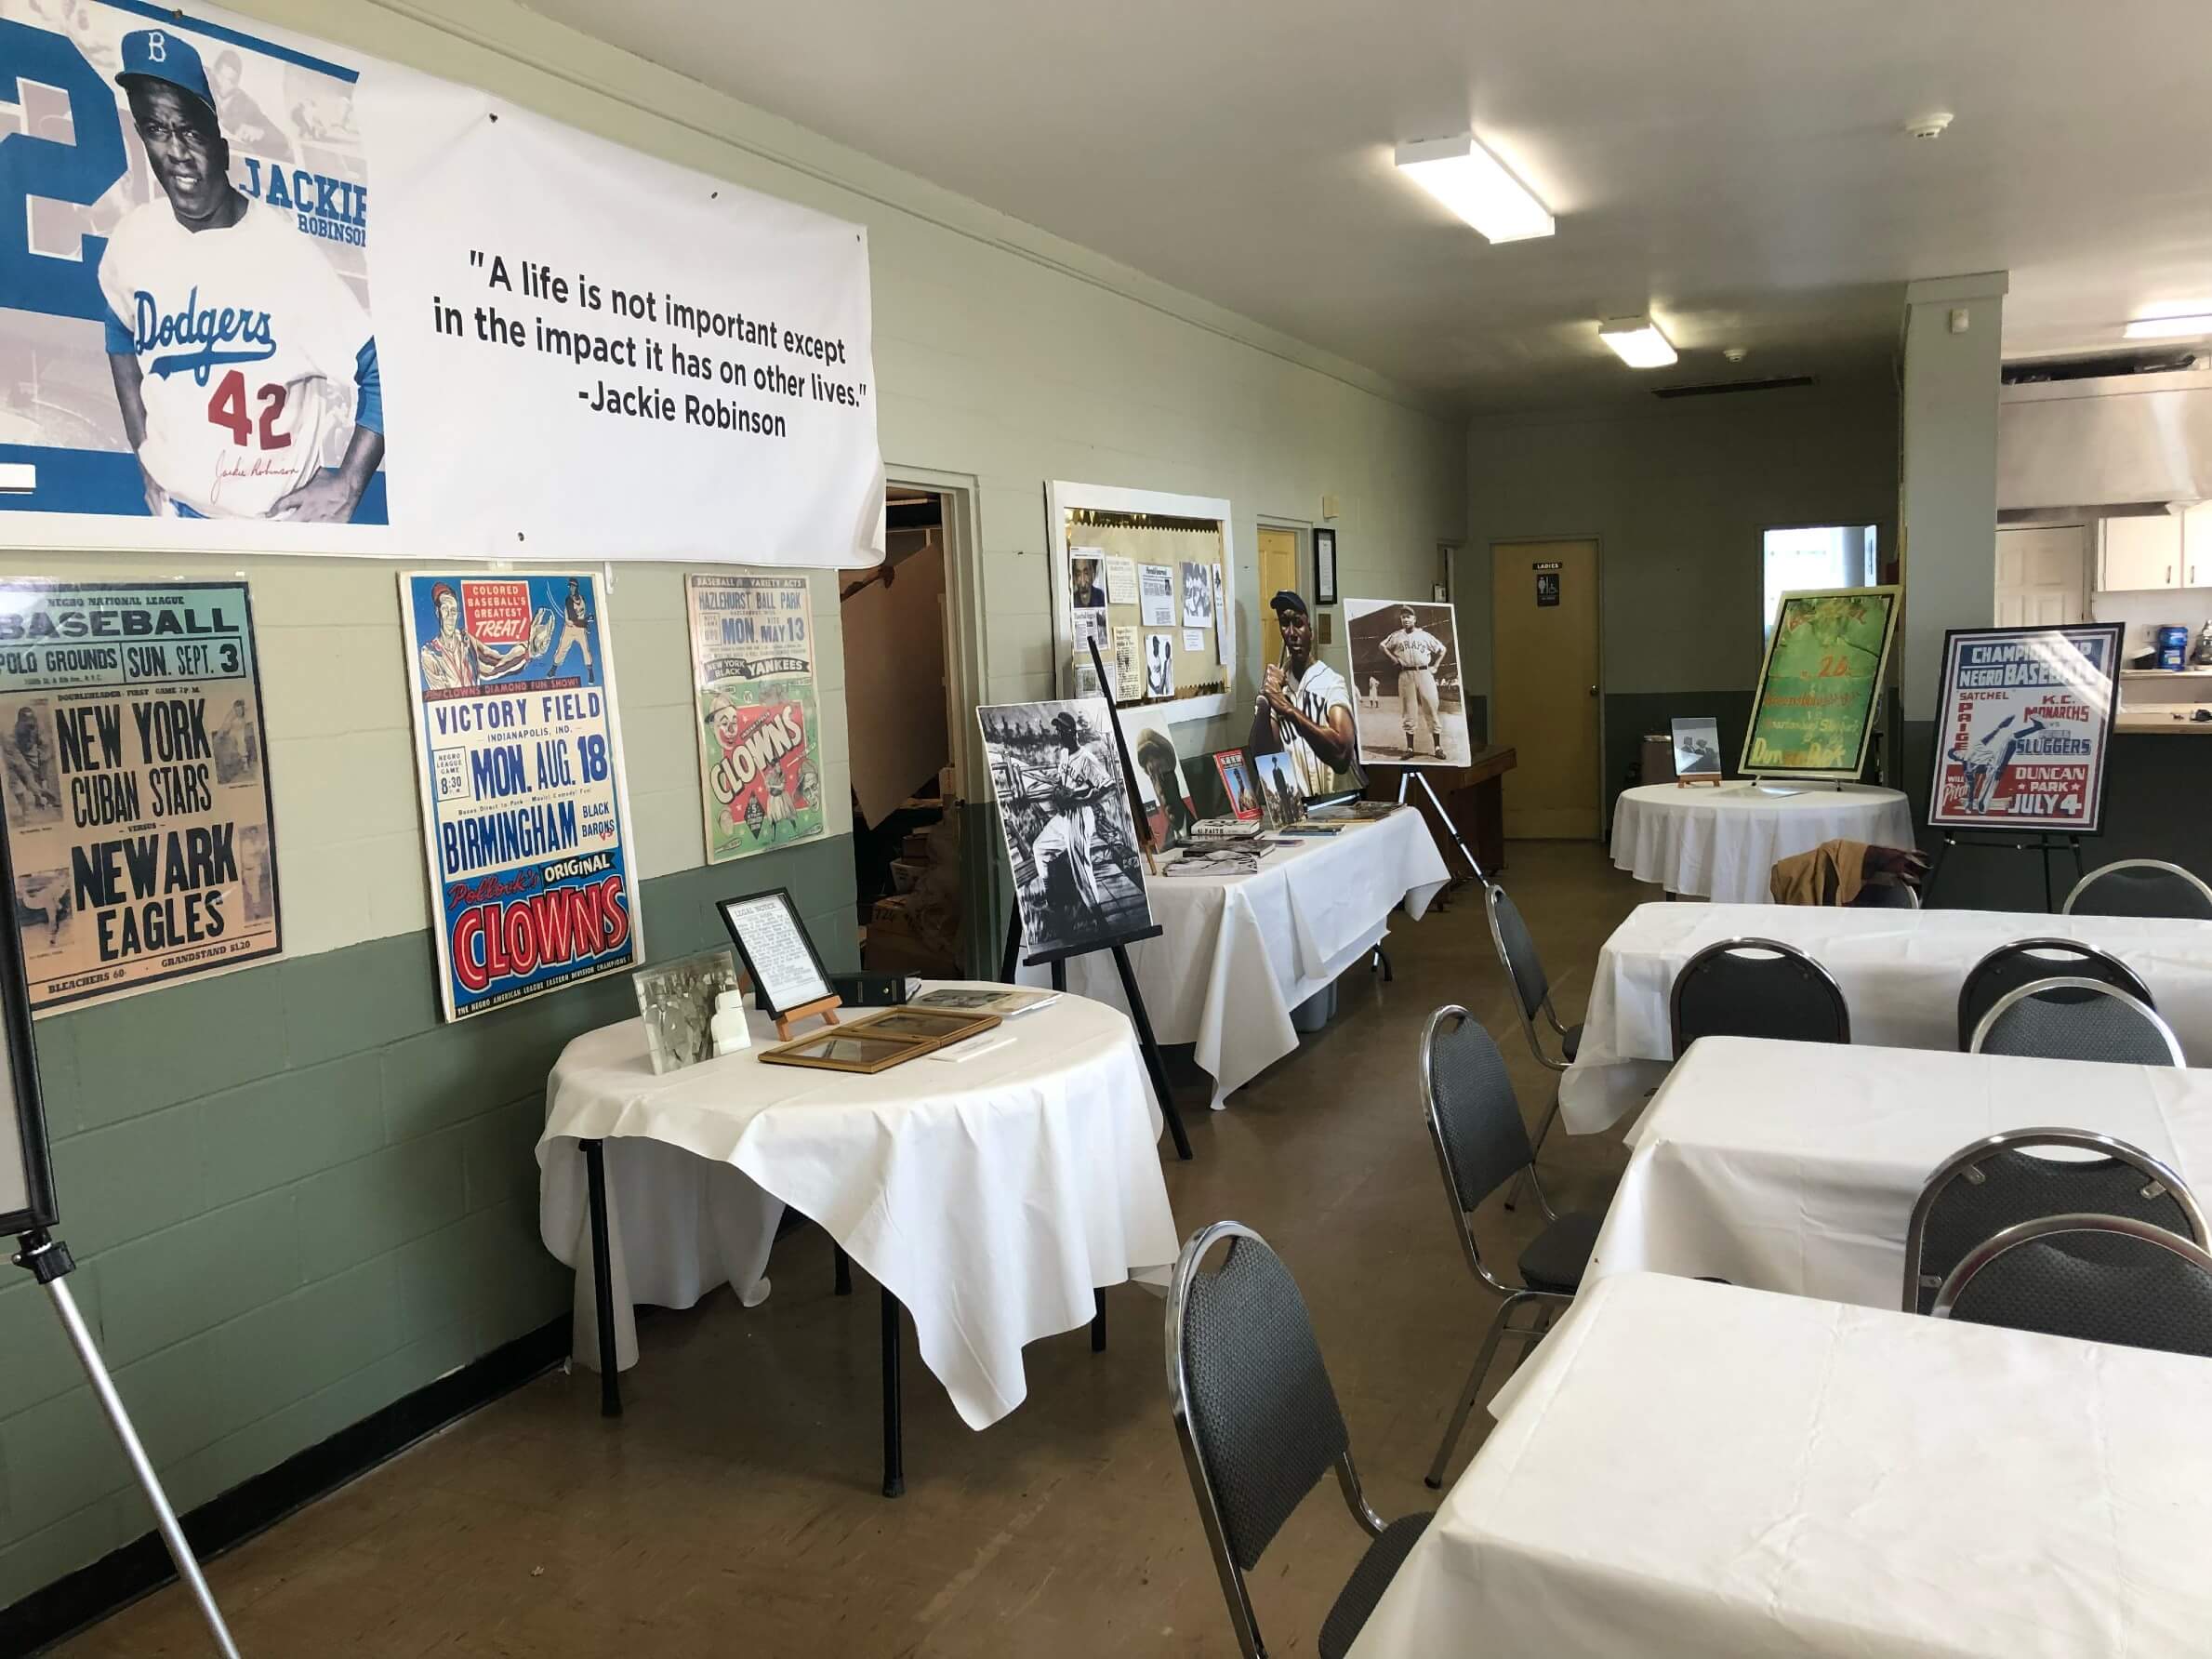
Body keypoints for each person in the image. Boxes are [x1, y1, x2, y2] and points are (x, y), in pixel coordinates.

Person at [99, 29, 383, 522]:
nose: (176, 153)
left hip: (271, 526)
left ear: (221, 144)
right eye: (156, 130)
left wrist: (350, 482)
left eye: (189, 131)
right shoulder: (132, 239)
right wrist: (144, 450)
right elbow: (119, 330)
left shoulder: (286, 256)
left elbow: (388, 373)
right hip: (178, 518)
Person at [1253, 591, 1355, 799]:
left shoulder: (1331, 682)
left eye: (1298, 623)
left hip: (1339, 803)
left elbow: (1342, 755)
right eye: (1284, 623)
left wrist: (1288, 710)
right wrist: (1264, 704)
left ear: (1311, 630)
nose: (1291, 632)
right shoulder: (1277, 687)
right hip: (1300, 808)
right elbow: (1262, 759)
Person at [1029, 709, 1117, 922]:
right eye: (1057, 729)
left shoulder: (1086, 759)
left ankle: (1100, 920)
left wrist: (1080, 800)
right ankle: (1053, 902)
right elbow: (1062, 783)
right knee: (1040, 848)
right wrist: (1058, 792)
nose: (1058, 733)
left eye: (1060, 730)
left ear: (1071, 732)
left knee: (1082, 872)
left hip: (1080, 816)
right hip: (1065, 816)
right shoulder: (1064, 754)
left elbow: (1110, 787)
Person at [418, 581, 551, 689]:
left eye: (453, 611)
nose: (449, 616)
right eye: (445, 609)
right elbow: (442, 699)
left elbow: (493, 667)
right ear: (438, 612)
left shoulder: (466, 641)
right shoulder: (430, 653)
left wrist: (528, 652)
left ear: (458, 615)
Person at [1379, 605, 1448, 759]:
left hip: (1424, 672)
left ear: (1415, 619)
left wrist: (1435, 666)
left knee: (1431, 707)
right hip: (1406, 674)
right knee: (1409, 711)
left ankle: (1437, 747)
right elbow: (1382, 646)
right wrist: (1394, 659)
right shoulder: (1396, 636)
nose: (1405, 619)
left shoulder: (1424, 635)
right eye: (1403, 617)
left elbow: (1442, 649)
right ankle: (1410, 749)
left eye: (1408, 616)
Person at [1949, 712, 2048, 814]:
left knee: (2011, 738)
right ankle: (1982, 804)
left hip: (1995, 760)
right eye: (1956, 754)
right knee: (1982, 806)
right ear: (1957, 759)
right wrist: (1970, 801)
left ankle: (2037, 727)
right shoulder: (1966, 765)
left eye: (1957, 751)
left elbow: (1987, 738)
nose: (1958, 752)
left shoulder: (1973, 748)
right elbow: (1972, 785)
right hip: (1991, 770)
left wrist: (2000, 727)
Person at [552, 578, 596, 684]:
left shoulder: (582, 598)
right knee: (562, 649)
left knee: (586, 650)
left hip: (580, 629)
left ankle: (590, 672)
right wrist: (586, 622)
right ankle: (554, 668)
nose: (571, 588)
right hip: (570, 628)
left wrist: (587, 620)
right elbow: (573, 619)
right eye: (570, 586)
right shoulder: (568, 600)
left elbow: (582, 615)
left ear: (577, 587)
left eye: (573, 586)